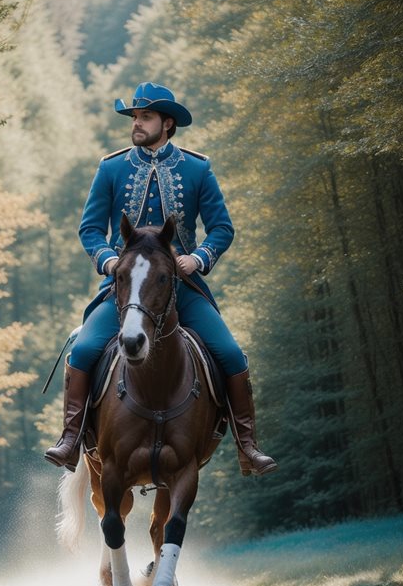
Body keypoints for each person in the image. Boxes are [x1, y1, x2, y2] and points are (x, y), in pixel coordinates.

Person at [44, 82, 276, 477]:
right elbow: (90, 230)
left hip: (182, 289)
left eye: (145, 117)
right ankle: (70, 441)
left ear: (167, 123)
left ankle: (247, 447)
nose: (136, 123)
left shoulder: (197, 168)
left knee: (233, 356)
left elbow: (222, 228)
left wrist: (198, 258)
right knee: (83, 351)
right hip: (126, 289)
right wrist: (108, 262)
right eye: (134, 116)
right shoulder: (111, 167)